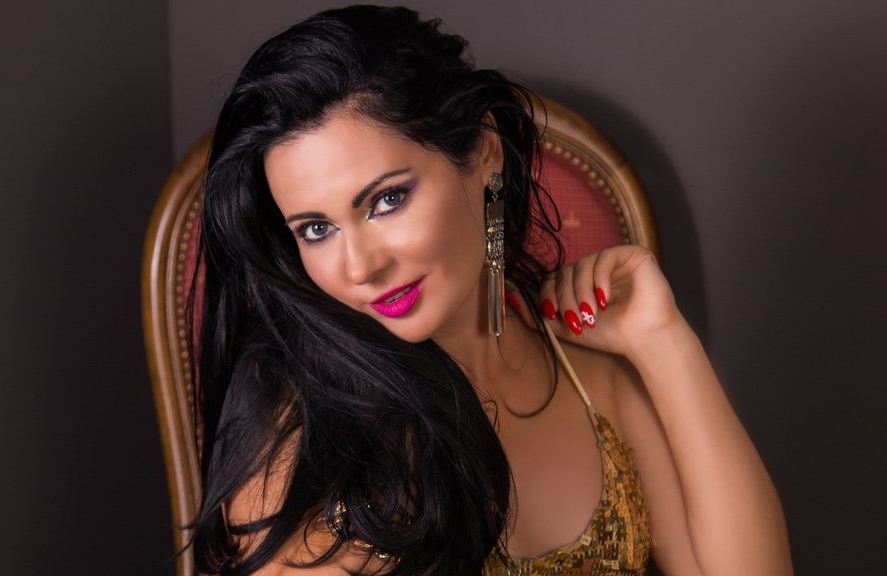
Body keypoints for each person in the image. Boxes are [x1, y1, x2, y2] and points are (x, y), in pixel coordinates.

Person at [188, 5, 792, 575]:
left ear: (484, 153)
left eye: (386, 200)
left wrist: (665, 342)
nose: (360, 267)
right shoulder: (304, 440)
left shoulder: (596, 379)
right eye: (317, 230)